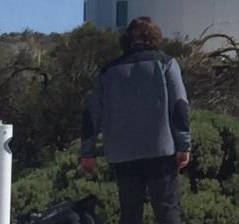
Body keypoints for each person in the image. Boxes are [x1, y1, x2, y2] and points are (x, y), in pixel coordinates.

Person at [80, 17, 191, 224]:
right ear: (155, 36)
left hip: (122, 154)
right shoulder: (166, 63)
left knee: (130, 215)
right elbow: (179, 106)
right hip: (161, 151)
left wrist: (88, 152)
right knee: (168, 213)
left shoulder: (108, 71)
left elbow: (91, 113)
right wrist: (184, 145)